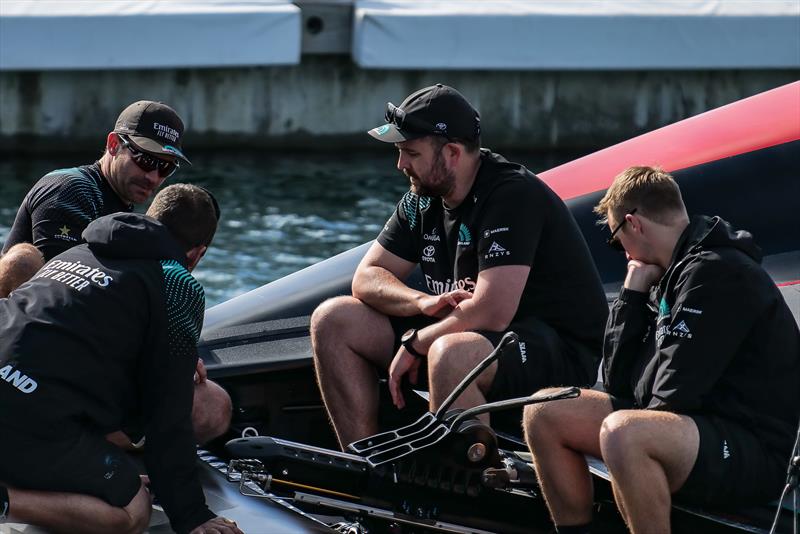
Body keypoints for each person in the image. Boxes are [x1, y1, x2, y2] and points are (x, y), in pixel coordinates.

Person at [311, 83, 609, 449]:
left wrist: (418, 342)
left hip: (553, 350)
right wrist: (420, 304)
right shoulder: (420, 199)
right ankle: (365, 466)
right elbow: (367, 278)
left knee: (450, 352)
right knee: (334, 319)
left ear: (452, 152)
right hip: (469, 334)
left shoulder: (511, 195)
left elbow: (492, 311)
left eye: (411, 153)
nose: (400, 165)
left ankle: (460, 489)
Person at [523, 166, 800, 534]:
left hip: (752, 447)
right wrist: (632, 295)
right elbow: (618, 381)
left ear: (633, 224)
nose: (621, 252)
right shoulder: (669, 271)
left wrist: (636, 395)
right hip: (696, 425)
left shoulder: (716, 272)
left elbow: (671, 396)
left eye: (615, 239)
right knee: (544, 411)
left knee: (625, 434)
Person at [0, 184, 241, 534]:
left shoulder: (80, 250)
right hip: (25, 423)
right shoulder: (176, 282)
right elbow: (168, 414)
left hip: (22, 392)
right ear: (197, 254)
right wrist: (192, 515)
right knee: (133, 509)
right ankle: (6, 501)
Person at [0, 99, 191, 295]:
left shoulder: (118, 202)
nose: (153, 177)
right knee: (24, 259)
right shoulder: (71, 189)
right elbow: (60, 288)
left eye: (165, 167)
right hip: (20, 318)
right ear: (114, 144)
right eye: (145, 160)